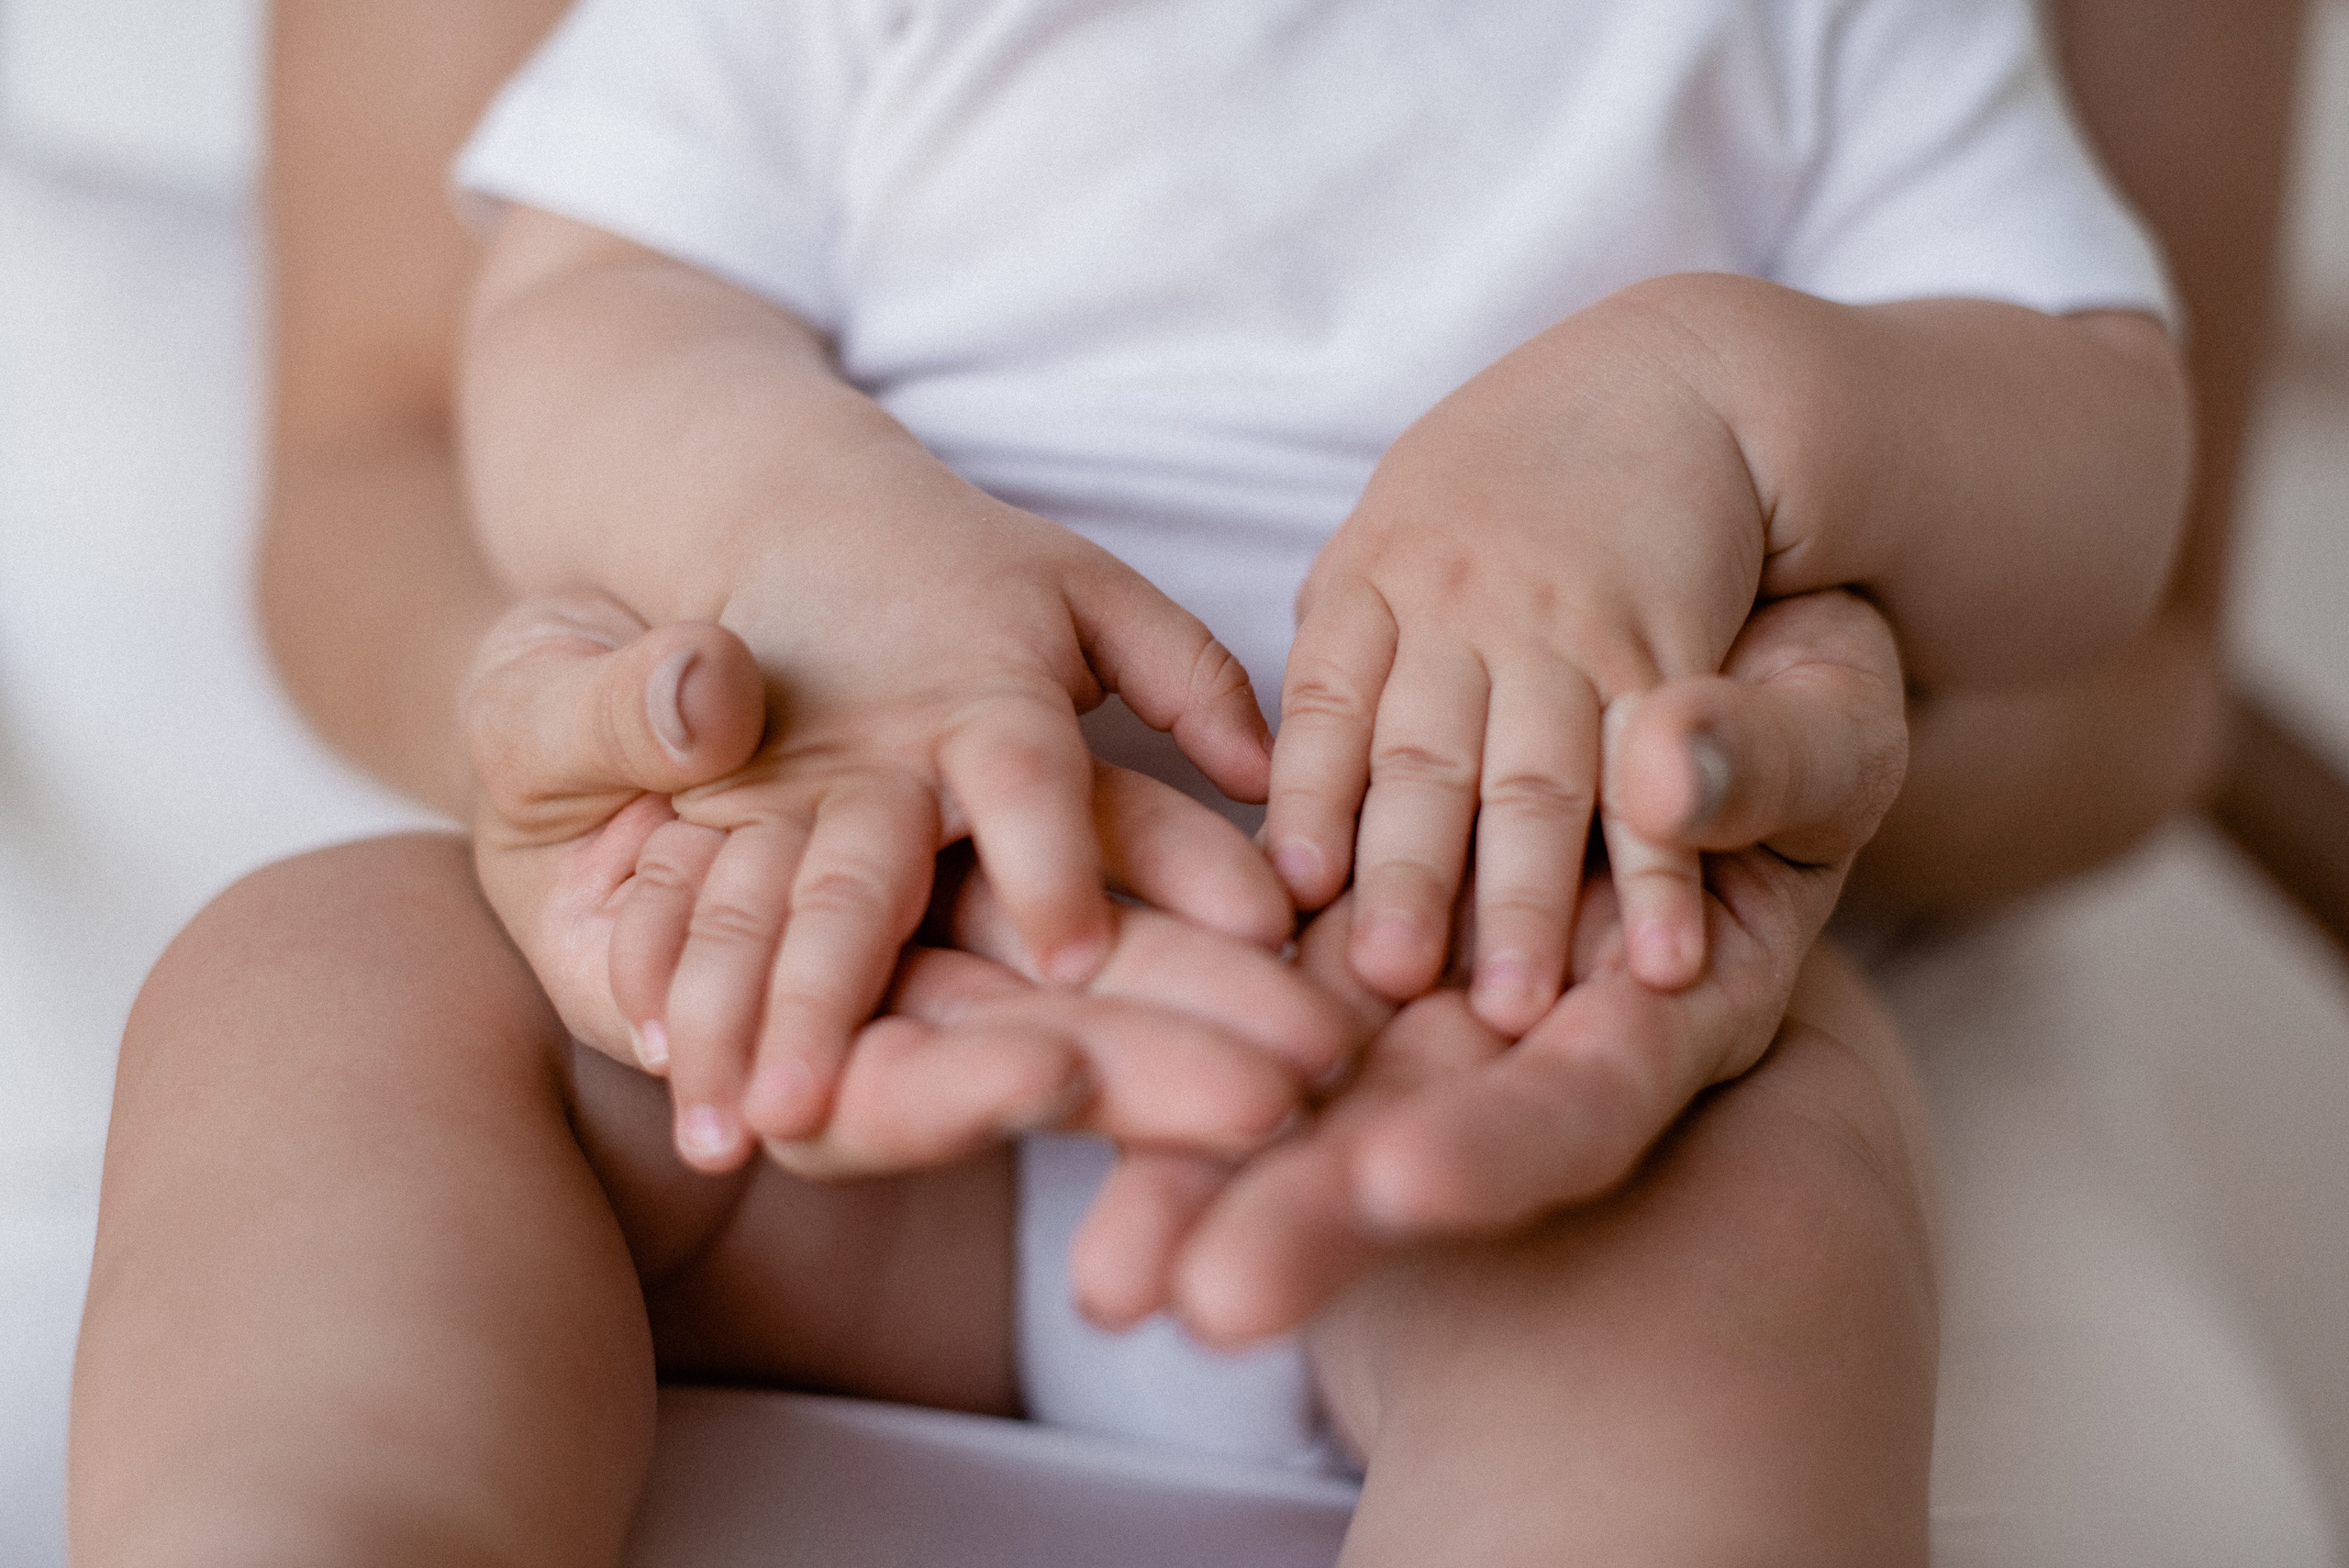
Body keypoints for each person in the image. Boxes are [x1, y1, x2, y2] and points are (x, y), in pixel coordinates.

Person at [66, 3, 2308, 1567]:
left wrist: (1732, 403)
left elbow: (2099, 456)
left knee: (1767, 1202)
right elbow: (580, 313)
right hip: (817, 988)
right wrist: (784, 537)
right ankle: (324, 1520)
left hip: (1495, 1016)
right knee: (318, 978)